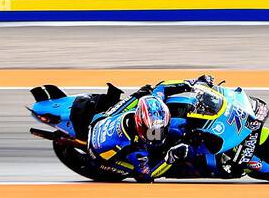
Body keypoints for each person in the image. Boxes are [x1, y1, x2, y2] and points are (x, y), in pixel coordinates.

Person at [81, 77, 213, 181]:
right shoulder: (134, 148)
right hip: (101, 155)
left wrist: (193, 82)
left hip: (103, 120)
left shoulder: (152, 104)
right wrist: (170, 157)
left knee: (143, 93)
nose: (158, 135)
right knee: (132, 170)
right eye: (153, 133)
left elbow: (162, 86)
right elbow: (146, 176)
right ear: (140, 126)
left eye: (161, 129)